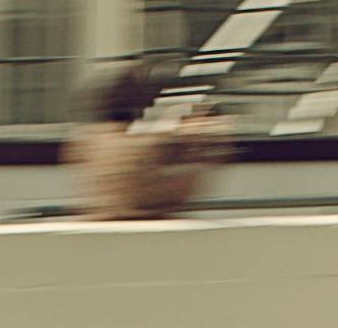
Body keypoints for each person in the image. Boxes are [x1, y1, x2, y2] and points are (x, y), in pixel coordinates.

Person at [65, 62, 229, 221]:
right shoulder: (146, 145)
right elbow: (172, 196)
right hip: (147, 234)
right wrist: (199, 139)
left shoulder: (88, 142)